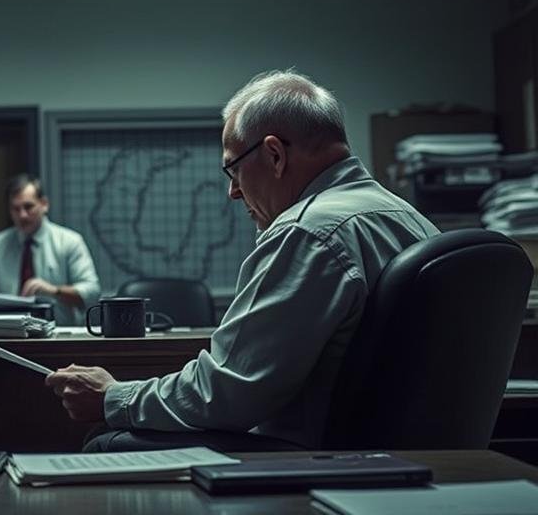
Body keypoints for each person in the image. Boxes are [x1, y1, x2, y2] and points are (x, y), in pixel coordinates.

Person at [45, 70, 439, 451]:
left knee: (105, 443)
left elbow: (229, 393)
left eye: (233, 169)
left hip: (322, 461)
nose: (233, 192)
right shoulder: (411, 219)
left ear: (274, 155)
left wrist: (114, 398)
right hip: (412, 461)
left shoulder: (307, 232)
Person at [0, 174, 100, 326]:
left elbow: (92, 292)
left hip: (58, 337)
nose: (22, 215)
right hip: (9, 334)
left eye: (28, 207)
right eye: (15, 209)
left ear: (44, 204)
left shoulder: (70, 242)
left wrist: (54, 290)